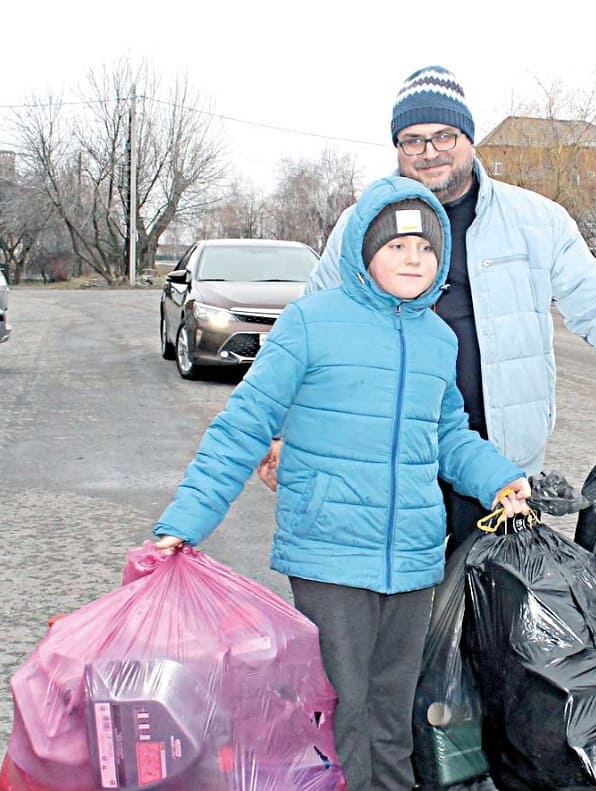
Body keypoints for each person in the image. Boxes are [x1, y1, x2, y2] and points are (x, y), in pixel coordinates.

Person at [151, 175, 531, 791]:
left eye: (427, 249)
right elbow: (244, 425)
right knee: (341, 709)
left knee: (393, 711)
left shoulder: (437, 339)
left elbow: (449, 435)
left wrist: (499, 481)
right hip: (329, 551)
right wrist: (185, 522)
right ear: (364, 251)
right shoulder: (311, 323)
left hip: (411, 558)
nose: (414, 259)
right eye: (397, 246)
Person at [260, 64, 596, 548]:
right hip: (387, 459)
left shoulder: (536, 223)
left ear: (469, 138)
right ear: (397, 148)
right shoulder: (362, 226)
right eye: (413, 140)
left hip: (497, 467)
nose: (430, 152)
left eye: (444, 136)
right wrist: (277, 428)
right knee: (394, 610)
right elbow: (308, 331)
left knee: (492, 611)